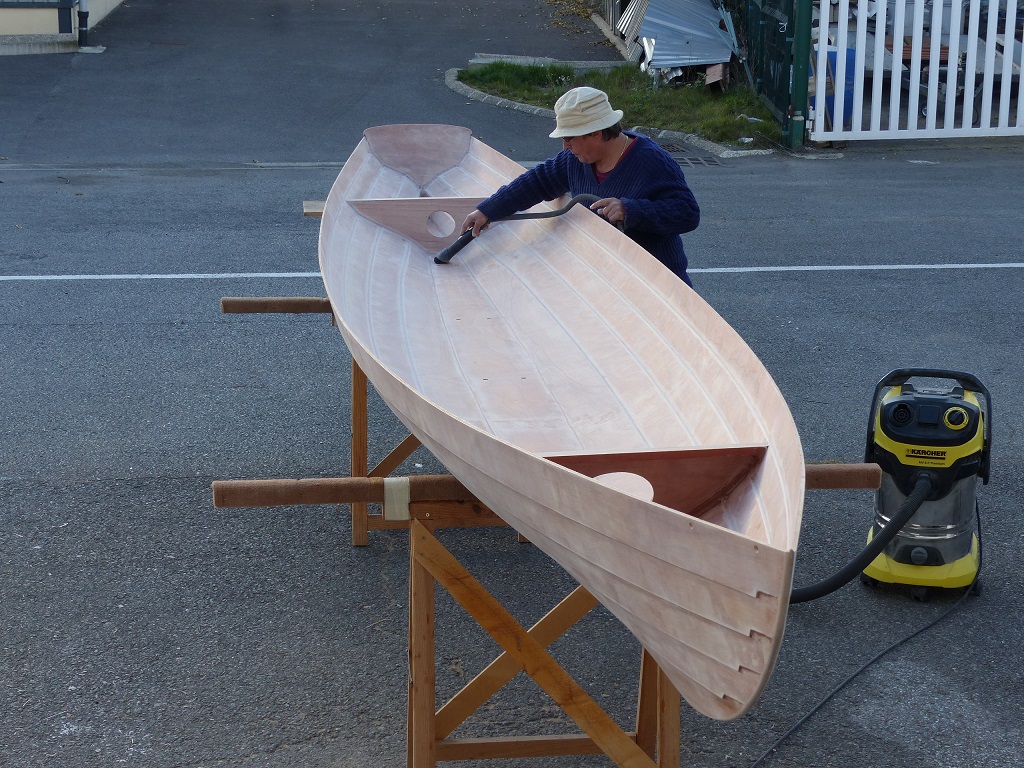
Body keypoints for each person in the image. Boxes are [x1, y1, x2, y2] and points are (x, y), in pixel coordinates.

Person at [461, 86, 701, 286]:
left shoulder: (651, 161)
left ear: (595, 133)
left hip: (659, 286)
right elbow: (537, 182)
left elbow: (688, 213)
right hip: (606, 283)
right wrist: (488, 210)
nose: (565, 147)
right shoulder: (574, 160)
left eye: (569, 138)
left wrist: (631, 211)